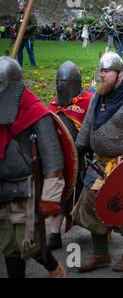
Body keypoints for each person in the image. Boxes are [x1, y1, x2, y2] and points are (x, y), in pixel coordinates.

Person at [72, 52, 123, 273]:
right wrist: (79, 149)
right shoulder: (100, 94)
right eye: (101, 71)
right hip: (98, 164)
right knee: (91, 206)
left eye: (106, 71)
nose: (101, 75)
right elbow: (88, 125)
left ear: (118, 73)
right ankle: (100, 253)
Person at [0, 56, 66, 278]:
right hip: (2, 187)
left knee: (30, 242)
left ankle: (56, 270)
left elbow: (53, 159)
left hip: (27, 188)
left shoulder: (35, 112)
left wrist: (51, 196)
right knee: (8, 244)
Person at [46, 61, 93, 250]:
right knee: (57, 193)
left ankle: (99, 233)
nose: (60, 86)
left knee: (90, 196)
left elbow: (96, 132)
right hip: (61, 161)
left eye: (64, 82)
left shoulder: (88, 101)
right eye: (59, 82)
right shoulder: (54, 104)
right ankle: (55, 234)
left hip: (86, 161)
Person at [15, 2, 37, 67]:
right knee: (19, 51)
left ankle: (33, 66)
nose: (19, 7)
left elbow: (34, 25)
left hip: (28, 37)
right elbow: (17, 24)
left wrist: (24, 29)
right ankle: (19, 66)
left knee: (30, 52)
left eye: (21, 6)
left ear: (25, 7)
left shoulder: (31, 15)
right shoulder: (18, 14)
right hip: (20, 38)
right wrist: (16, 32)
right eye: (19, 6)